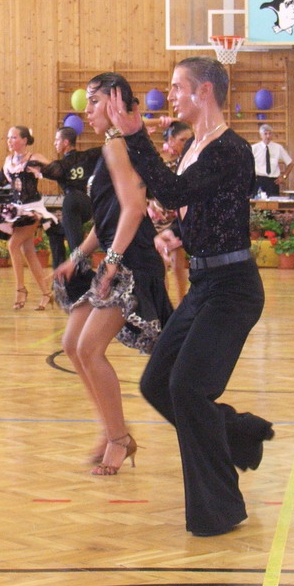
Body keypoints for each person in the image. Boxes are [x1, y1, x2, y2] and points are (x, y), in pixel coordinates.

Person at [111, 56, 274, 538]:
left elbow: (172, 189)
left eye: (177, 87)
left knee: (187, 387)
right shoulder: (195, 148)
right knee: (157, 383)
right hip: (205, 285)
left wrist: (135, 135)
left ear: (204, 91)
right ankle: (238, 435)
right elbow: (198, 207)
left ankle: (219, 509)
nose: (170, 95)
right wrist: (175, 232)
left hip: (233, 288)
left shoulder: (231, 150)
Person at [54, 72, 172, 477]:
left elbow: (134, 210)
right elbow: (106, 218)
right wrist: (78, 256)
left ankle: (119, 439)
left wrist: (113, 261)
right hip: (117, 258)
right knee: (73, 344)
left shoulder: (119, 145)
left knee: (88, 348)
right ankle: (110, 430)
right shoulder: (110, 146)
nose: (86, 110)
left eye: (94, 101)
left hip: (132, 263)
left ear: (116, 103)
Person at [0, 126, 57, 311]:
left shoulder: (34, 157)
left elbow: (54, 169)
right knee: (29, 252)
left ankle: (20, 290)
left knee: (12, 245)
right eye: (8, 137)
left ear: (24, 140)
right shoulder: (9, 160)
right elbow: (1, 181)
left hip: (33, 209)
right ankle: (46, 293)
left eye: (14, 137)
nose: (10, 141)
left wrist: (40, 170)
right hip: (17, 210)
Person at [30, 125, 101, 258]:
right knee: (53, 228)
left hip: (74, 203)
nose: (54, 143)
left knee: (70, 201)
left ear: (66, 142)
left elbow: (51, 169)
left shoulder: (61, 166)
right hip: (87, 207)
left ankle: (78, 262)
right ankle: (61, 268)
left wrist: (35, 162)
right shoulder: (88, 156)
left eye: (57, 140)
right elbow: (107, 148)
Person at [147, 120, 192, 302]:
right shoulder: (158, 158)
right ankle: (163, 306)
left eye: (189, 139)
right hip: (155, 216)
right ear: (171, 140)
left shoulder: (188, 160)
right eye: (183, 139)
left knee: (178, 265)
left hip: (175, 219)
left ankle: (181, 303)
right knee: (160, 267)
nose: (187, 143)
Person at [251, 123, 293, 197]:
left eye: (270, 133)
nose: (268, 136)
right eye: (265, 134)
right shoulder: (254, 148)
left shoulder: (278, 148)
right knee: (257, 203)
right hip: (258, 180)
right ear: (260, 135)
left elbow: (290, 163)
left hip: (273, 181)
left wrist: (284, 176)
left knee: (273, 203)